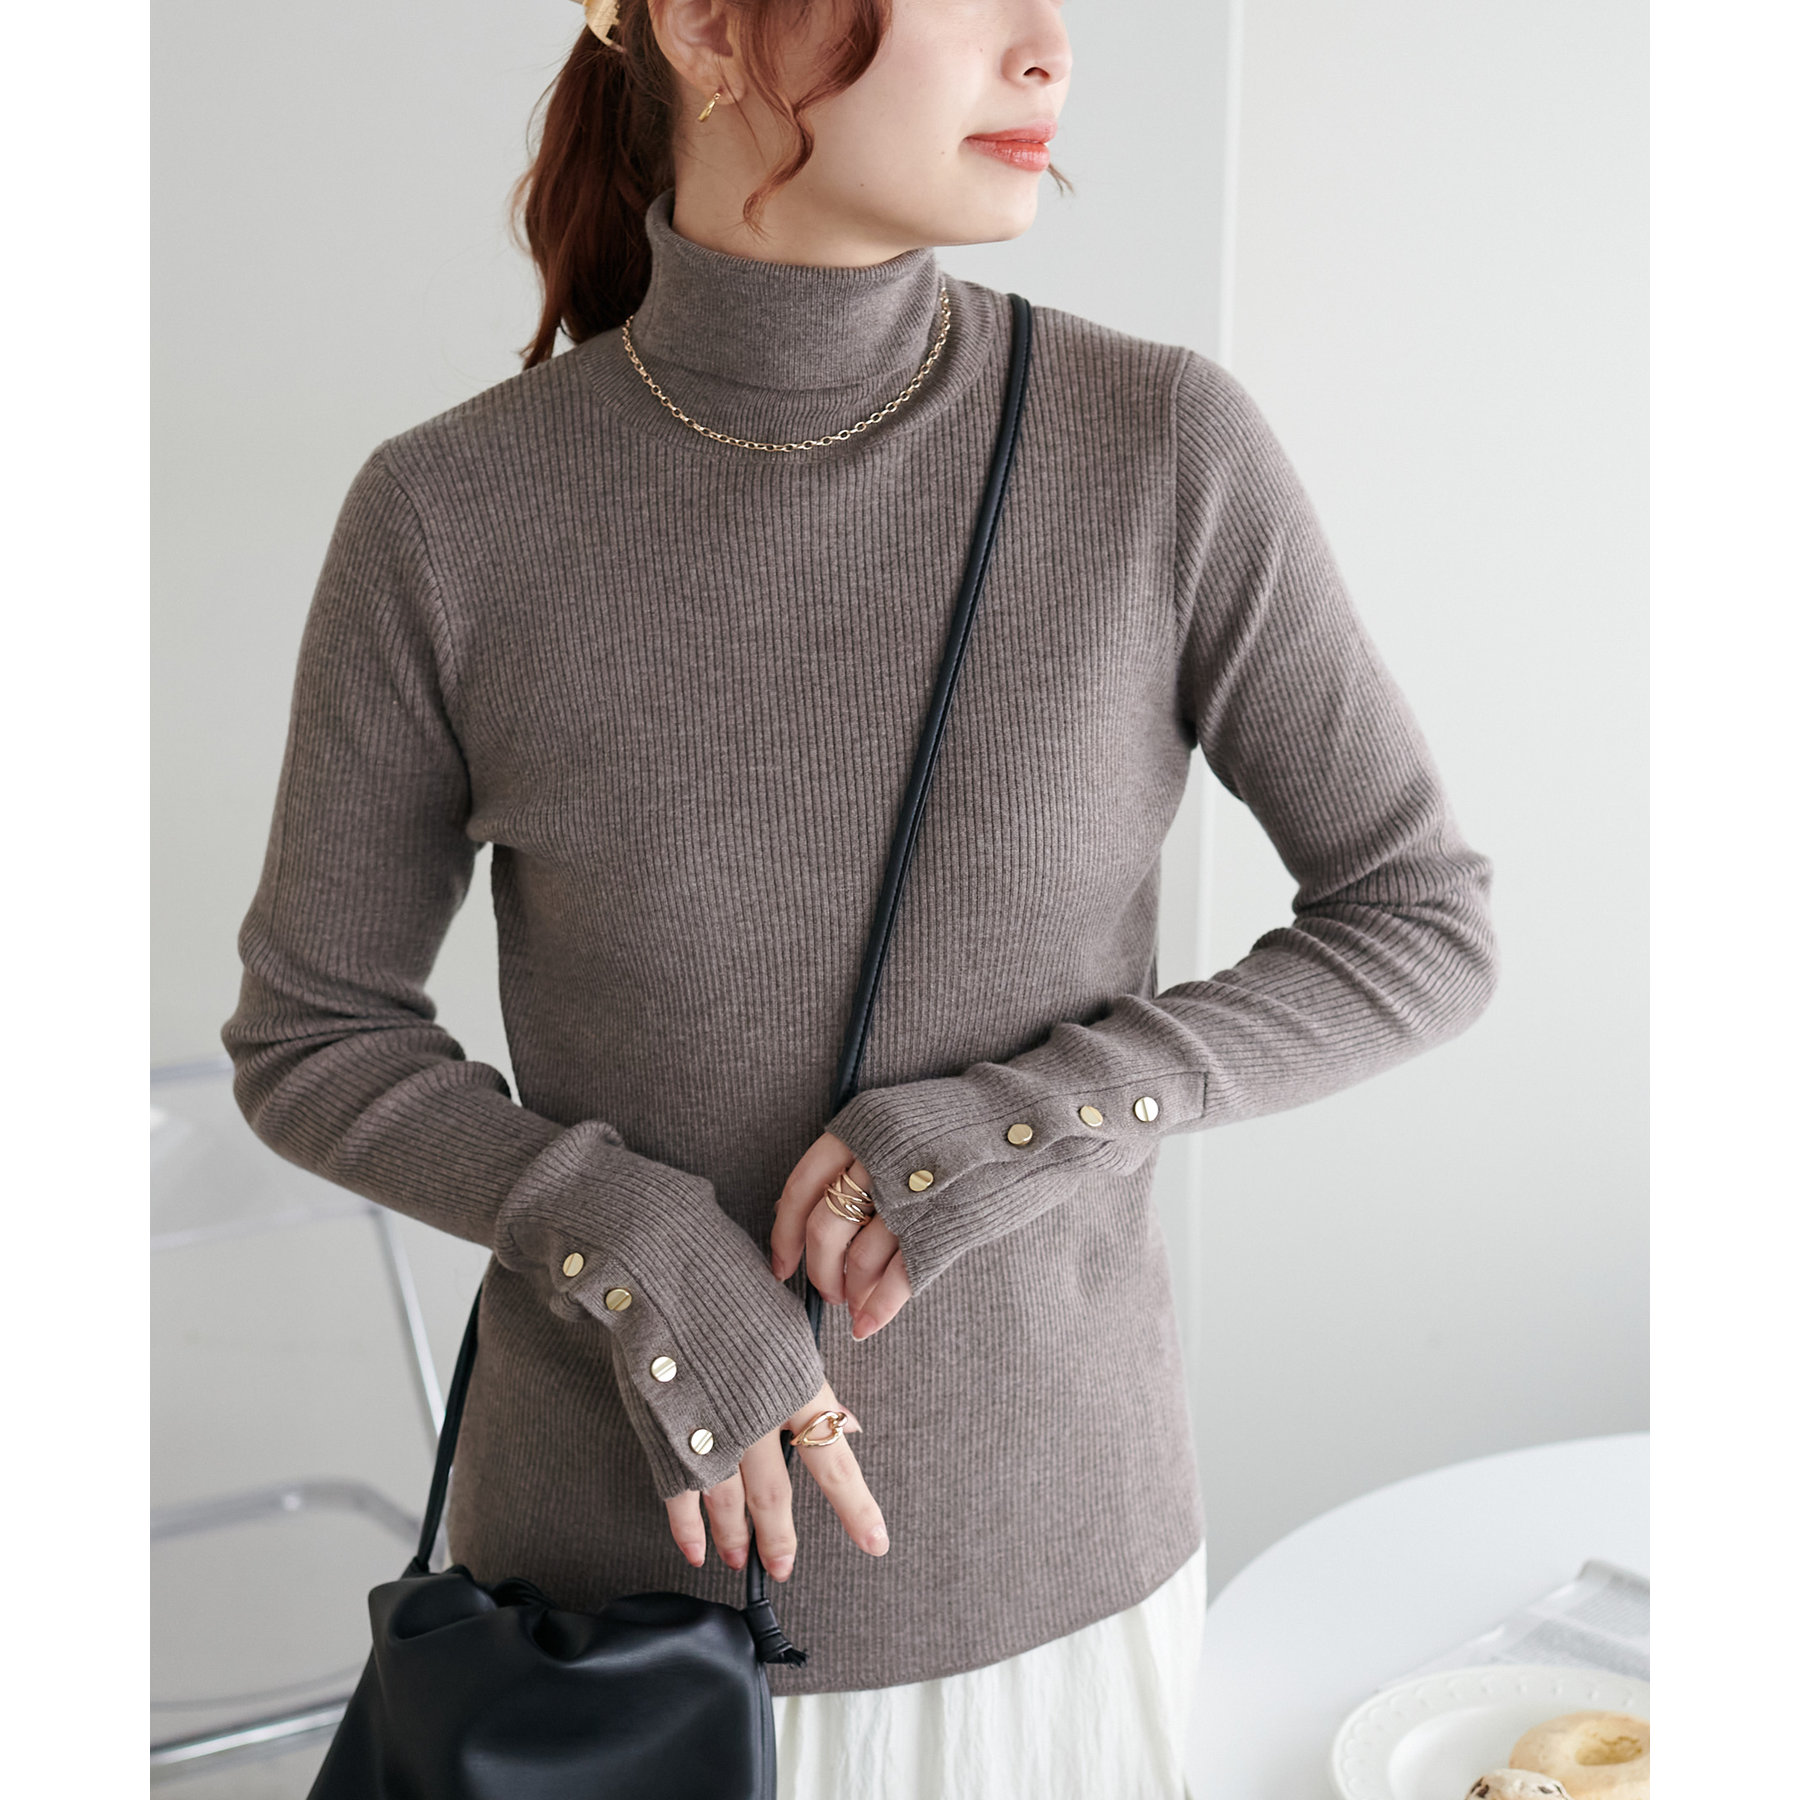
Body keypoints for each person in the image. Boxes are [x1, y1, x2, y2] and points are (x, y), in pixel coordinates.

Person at [221, 0, 1498, 1793]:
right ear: (703, 27)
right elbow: (314, 1034)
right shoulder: (452, 515)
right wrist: (625, 1241)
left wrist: (1045, 1117)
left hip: (1053, 1605)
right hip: (596, 1633)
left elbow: (1421, 918)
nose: (1047, 48)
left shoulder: (1160, 449)